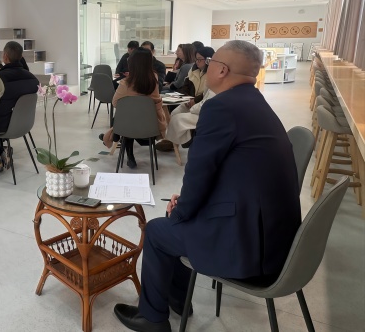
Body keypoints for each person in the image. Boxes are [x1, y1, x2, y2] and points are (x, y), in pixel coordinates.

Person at [114, 40, 301, 332]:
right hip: (277, 242)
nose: (208, 66)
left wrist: (182, 211)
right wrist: (187, 207)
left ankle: (152, 318)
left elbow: (199, 173)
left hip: (248, 249)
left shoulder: (221, 107)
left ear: (222, 70)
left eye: (212, 63)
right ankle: (178, 299)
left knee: (158, 230)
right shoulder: (256, 102)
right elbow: (228, 172)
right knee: (178, 219)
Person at [101, 48, 166, 169]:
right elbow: (156, 100)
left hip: (128, 129)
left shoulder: (126, 83)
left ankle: (120, 144)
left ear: (132, 63)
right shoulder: (154, 79)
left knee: (127, 116)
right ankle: (115, 136)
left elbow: (115, 103)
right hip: (151, 127)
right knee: (134, 117)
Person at [0, 41, 39, 173]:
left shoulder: (0, 78)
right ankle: (1, 151)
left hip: (2, 126)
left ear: (5, 56)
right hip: (24, 124)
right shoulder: (33, 79)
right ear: (21, 56)